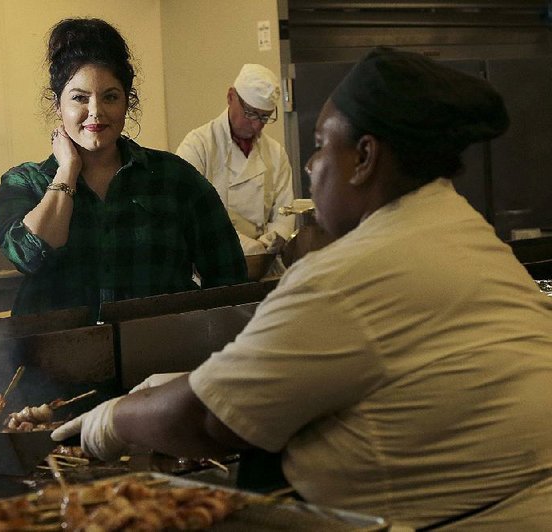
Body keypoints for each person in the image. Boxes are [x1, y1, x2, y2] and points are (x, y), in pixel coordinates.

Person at [52, 47, 552, 529]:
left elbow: (208, 420)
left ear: (364, 157)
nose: (311, 166)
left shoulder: (352, 273)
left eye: (319, 145)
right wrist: (194, 380)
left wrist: (111, 419)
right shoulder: (465, 235)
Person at [0, 18, 247, 321]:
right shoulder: (25, 183)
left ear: (127, 103)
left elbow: (231, 282)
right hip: (56, 362)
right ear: (57, 106)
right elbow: (28, 255)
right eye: (79, 98)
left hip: (159, 361)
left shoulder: (175, 179)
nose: (96, 111)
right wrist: (67, 171)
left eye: (110, 96)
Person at [176, 64, 294, 260]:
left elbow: (285, 211)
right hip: (213, 264)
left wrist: (274, 238)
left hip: (265, 264)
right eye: (251, 113)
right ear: (231, 96)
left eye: (264, 117)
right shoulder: (198, 146)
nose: (257, 125)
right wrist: (246, 247)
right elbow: (189, 213)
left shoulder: (275, 153)